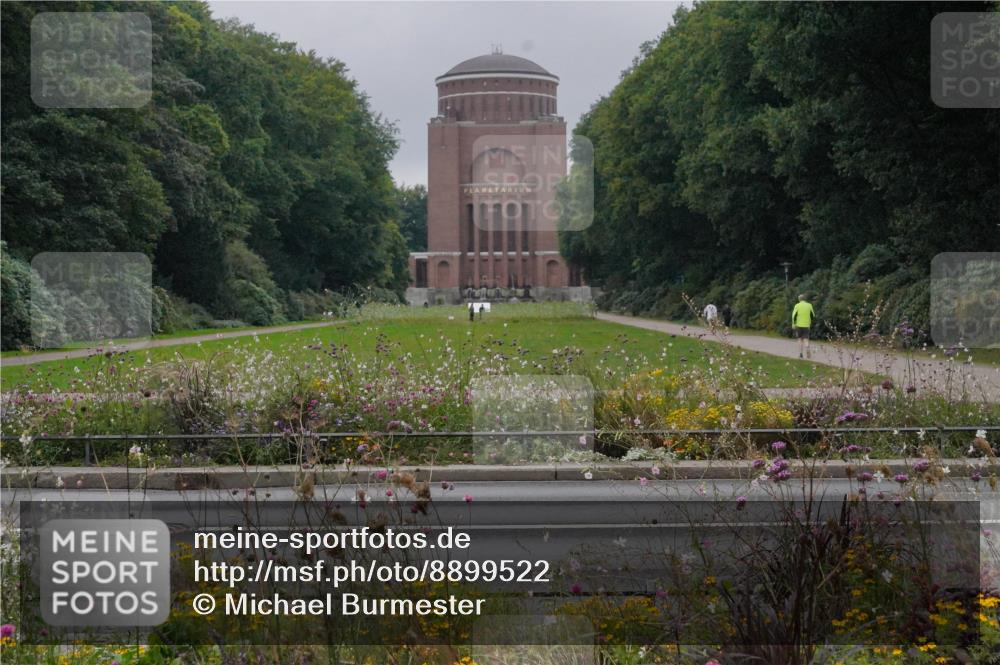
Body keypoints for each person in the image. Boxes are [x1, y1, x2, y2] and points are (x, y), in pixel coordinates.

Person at [792, 294, 815, 358]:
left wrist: (794, 323)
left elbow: (794, 316)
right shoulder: (809, 305)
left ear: (799, 299)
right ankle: (807, 348)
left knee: (799, 339)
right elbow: (813, 315)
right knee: (806, 339)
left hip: (798, 325)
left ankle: (800, 354)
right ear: (805, 299)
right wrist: (810, 322)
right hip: (806, 325)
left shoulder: (797, 305)